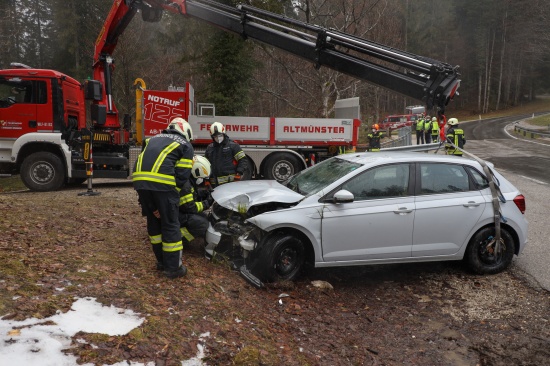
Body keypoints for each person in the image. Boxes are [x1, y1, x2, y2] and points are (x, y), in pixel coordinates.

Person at [133, 117, 194, 279]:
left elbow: (139, 162)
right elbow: (182, 176)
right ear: (185, 131)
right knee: (170, 224)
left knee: (154, 222)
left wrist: (153, 206)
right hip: (163, 185)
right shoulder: (185, 145)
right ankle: (173, 268)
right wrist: (171, 201)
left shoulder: (151, 139)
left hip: (139, 182)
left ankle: (161, 262)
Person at [179, 155, 212, 248]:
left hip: (177, 210)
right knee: (203, 224)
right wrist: (207, 203)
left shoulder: (187, 179)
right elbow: (190, 207)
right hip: (175, 213)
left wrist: (202, 193)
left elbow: (191, 195)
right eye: (201, 177)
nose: (202, 180)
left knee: (205, 217)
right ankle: (181, 240)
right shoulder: (186, 185)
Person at [205, 121, 248, 187]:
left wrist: (239, 173)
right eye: (215, 136)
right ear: (212, 137)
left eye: (220, 135)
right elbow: (206, 165)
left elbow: (243, 160)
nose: (218, 138)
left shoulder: (233, 146)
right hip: (214, 184)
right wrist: (206, 179)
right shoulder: (210, 148)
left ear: (224, 133)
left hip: (229, 183)